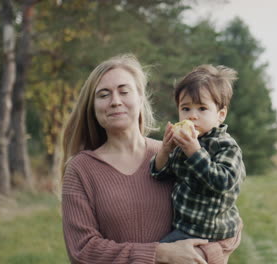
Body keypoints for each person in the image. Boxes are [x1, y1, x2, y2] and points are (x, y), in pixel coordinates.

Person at [61, 54, 242, 264]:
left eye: (124, 91)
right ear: (92, 107)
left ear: (140, 98)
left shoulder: (180, 153)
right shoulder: (81, 169)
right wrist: (159, 254)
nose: (115, 101)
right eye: (103, 95)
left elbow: (228, 223)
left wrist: (202, 256)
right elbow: (82, 250)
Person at [151, 65, 245, 243]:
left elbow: (222, 182)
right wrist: (165, 150)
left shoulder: (225, 146)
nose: (192, 116)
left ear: (220, 115)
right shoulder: (183, 143)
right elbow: (159, 174)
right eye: (185, 109)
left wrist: (194, 152)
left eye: (202, 108)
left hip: (208, 230)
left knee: (160, 254)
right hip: (183, 225)